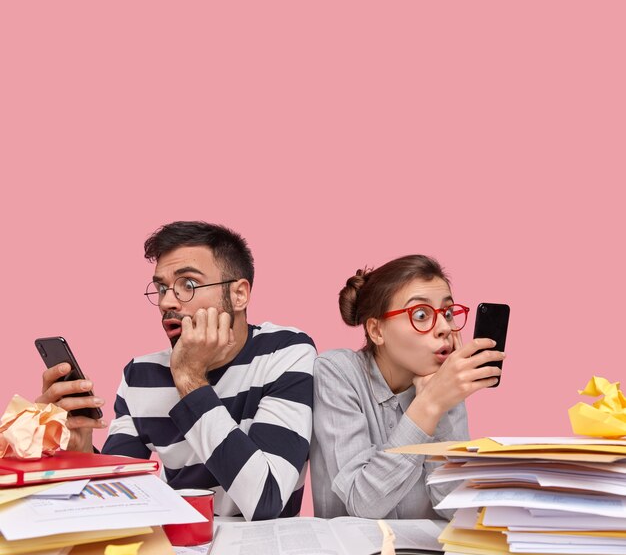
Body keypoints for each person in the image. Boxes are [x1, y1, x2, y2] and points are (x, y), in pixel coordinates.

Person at [37, 221, 316, 521]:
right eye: (161, 288)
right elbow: (119, 500)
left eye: (188, 285)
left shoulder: (285, 352)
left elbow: (267, 500)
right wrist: (82, 453)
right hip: (180, 550)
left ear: (239, 295)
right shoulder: (139, 376)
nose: (167, 302)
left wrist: (189, 379)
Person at [310, 255, 504, 519]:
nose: (445, 328)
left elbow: (456, 509)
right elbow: (362, 503)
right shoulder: (337, 371)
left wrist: (440, 406)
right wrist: (429, 406)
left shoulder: (443, 383)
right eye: (421, 314)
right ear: (377, 331)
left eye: (447, 313)